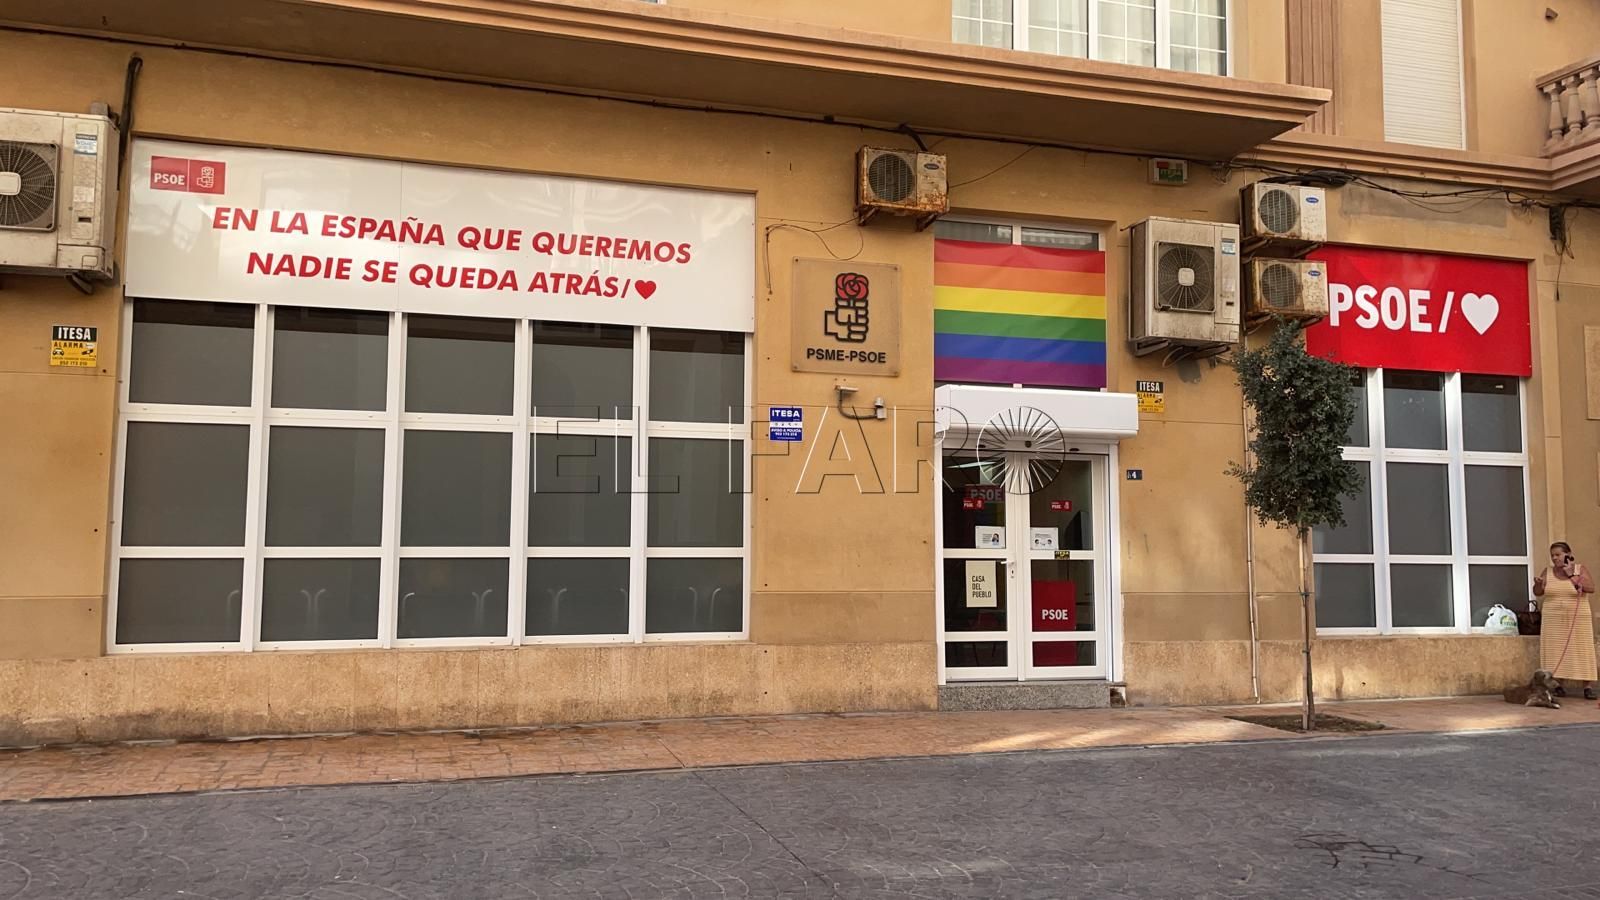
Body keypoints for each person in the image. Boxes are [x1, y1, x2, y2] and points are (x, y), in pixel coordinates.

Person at [1532, 541, 1597, 699]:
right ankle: (1557, 685)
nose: (1555, 558)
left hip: (1578, 617)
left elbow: (1590, 588)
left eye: (1558, 555)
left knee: (1581, 649)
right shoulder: (1547, 571)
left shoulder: (1579, 569)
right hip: (1553, 617)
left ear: (1568, 555)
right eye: (1552, 555)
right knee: (1555, 650)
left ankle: (1587, 686)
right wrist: (1538, 585)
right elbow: (1538, 593)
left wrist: (1571, 575)